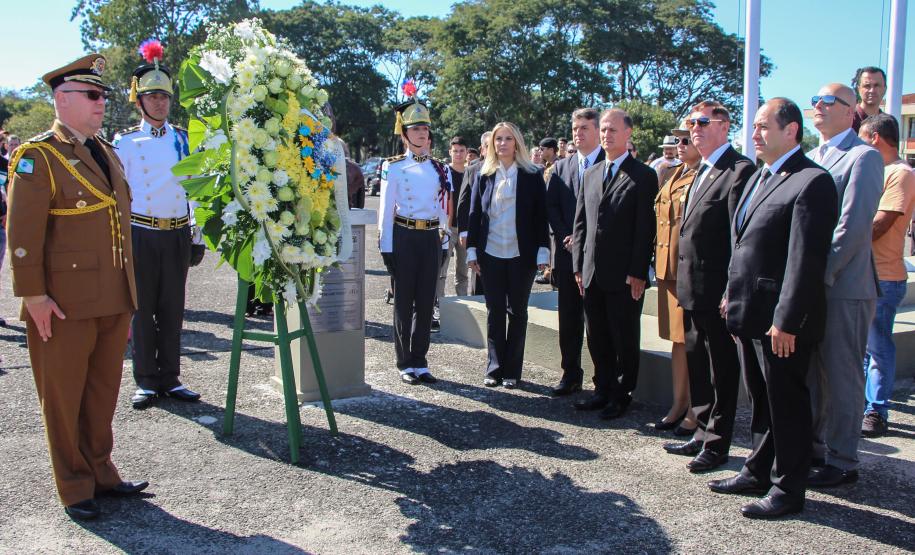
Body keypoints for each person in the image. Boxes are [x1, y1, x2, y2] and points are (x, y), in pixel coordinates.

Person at [7, 53, 148, 521]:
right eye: (91, 94)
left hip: (113, 295)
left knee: (102, 394)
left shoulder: (106, 151)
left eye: (102, 94)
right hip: (63, 302)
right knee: (63, 398)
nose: (100, 102)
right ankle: (73, 485)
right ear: (61, 99)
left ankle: (101, 471)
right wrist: (33, 296)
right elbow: (23, 234)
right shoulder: (38, 156)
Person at [710, 98, 837, 519]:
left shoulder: (812, 181)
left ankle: (787, 489)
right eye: (754, 126)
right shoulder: (758, 177)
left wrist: (787, 321)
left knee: (787, 405)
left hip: (781, 322)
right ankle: (757, 470)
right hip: (749, 311)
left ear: (792, 130)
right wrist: (731, 294)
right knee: (762, 401)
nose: (755, 134)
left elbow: (805, 262)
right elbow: (743, 245)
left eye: (764, 126)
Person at [663, 101, 755, 474]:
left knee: (721, 370)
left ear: (724, 126)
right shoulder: (700, 169)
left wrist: (731, 291)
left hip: (717, 291)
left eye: (702, 122)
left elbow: (739, 240)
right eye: (691, 122)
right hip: (691, 289)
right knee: (698, 364)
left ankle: (718, 444)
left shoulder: (739, 170)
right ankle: (700, 431)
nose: (694, 129)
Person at [114, 47, 201, 410]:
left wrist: (197, 233)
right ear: (139, 101)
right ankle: (146, 380)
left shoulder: (183, 139)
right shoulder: (125, 143)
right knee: (143, 309)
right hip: (141, 232)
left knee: (172, 309)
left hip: (176, 232)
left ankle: (171, 377)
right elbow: (118, 195)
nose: (160, 103)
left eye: (164, 96)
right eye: (152, 96)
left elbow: (194, 188)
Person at [807, 83, 883, 488]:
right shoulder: (811, 156)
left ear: (850, 110)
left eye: (827, 101)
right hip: (812, 285)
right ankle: (815, 448)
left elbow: (852, 227)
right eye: (814, 100)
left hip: (843, 285)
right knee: (813, 375)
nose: (817, 106)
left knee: (842, 376)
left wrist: (818, 275)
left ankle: (842, 460)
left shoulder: (863, 156)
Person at [571, 108, 656, 419]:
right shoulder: (591, 173)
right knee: (597, 335)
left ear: (628, 133)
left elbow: (645, 228)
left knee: (623, 336)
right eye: (604, 130)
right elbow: (581, 223)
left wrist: (638, 271)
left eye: (613, 130)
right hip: (592, 272)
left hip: (624, 275)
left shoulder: (643, 175)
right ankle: (602, 389)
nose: (607, 135)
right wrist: (578, 266)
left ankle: (621, 395)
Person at [466, 122, 550, 388]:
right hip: (490, 253)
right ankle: (494, 368)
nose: (502, 143)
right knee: (495, 311)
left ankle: (512, 371)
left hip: (521, 255)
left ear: (517, 143)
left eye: (508, 139)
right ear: (492, 144)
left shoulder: (532, 174)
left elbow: (541, 216)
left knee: (518, 312)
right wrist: (471, 249)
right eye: (498, 139)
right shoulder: (483, 173)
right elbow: (474, 214)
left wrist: (543, 251)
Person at [378, 93, 450, 385]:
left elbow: (443, 209)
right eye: (415, 128)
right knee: (403, 303)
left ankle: (420, 361)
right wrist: (386, 248)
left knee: (426, 302)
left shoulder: (440, 168)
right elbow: (385, 211)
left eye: (425, 128)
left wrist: (444, 242)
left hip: (430, 237)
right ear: (404, 134)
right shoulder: (393, 166)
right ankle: (404, 362)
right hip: (404, 236)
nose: (422, 133)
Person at [858, 114, 915, 437]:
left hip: (883, 276)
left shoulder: (900, 173)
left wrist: (843, 242)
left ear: (875, 138)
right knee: (868, 350)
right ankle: (865, 406)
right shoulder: (880, 171)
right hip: (866, 273)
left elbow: (881, 224)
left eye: (861, 139)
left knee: (878, 349)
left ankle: (876, 411)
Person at [546, 108, 605, 396]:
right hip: (567, 255)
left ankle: (603, 380)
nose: (578, 134)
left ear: (597, 131)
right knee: (568, 319)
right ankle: (570, 374)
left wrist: (585, 240)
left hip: (598, 258)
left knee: (597, 322)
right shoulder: (561, 168)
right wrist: (566, 237)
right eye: (574, 129)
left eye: (584, 128)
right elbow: (552, 207)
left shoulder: (609, 163)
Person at [653, 121, 700, 435]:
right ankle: (679, 402)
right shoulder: (672, 173)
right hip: (668, 269)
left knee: (693, 342)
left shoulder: (705, 175)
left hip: (690, 271)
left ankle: (695, 409)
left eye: (686, 140)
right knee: (677, 341)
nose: (680, 146)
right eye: (677, 140)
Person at [458, 131, 491, 296]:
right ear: (482, 149)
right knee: (479, 277)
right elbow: (464, 203)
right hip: (478, 232)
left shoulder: (510, 169)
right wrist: (464, 231)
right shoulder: (472, 170)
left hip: (502, 236)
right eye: (488, 146)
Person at [442, 136, 469, 296]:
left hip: (465, 229)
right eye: (455, 151)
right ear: (450, 152)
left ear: (466, 152)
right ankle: (438, 301)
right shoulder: (444, 172)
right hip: (447, 227)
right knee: (441, 269)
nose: (458, 154)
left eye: (461, 151)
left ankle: (463, 301)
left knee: (463, 271)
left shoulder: (471, 172)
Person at [851, 66, 886, 133]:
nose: (872, 90)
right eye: (867, 86)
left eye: (877, 85)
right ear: (858, 89)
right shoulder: (847, 120)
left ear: (885, 89)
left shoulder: (890, 123)